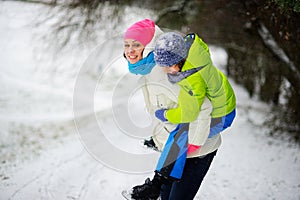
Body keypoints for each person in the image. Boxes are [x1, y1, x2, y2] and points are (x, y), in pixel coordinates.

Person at [123, 20, 225, 200]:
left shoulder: (165, 72)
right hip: (176, 150)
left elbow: (203, 108)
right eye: (127, 45)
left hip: (196, 149)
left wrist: (193, 144)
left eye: (136, 45)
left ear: (149, 46)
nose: (130, 50)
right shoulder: (150, 68)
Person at [151, 32, 236, 199]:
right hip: (226, 100)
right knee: (180, 136)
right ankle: (165, 175)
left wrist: (166, 114)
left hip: (222, 115)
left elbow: (187, 113)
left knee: (182, 136)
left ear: (176, 63)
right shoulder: (193, 56)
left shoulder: (192, 79)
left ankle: (163, 177)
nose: (164, 70)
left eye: (166, 66)